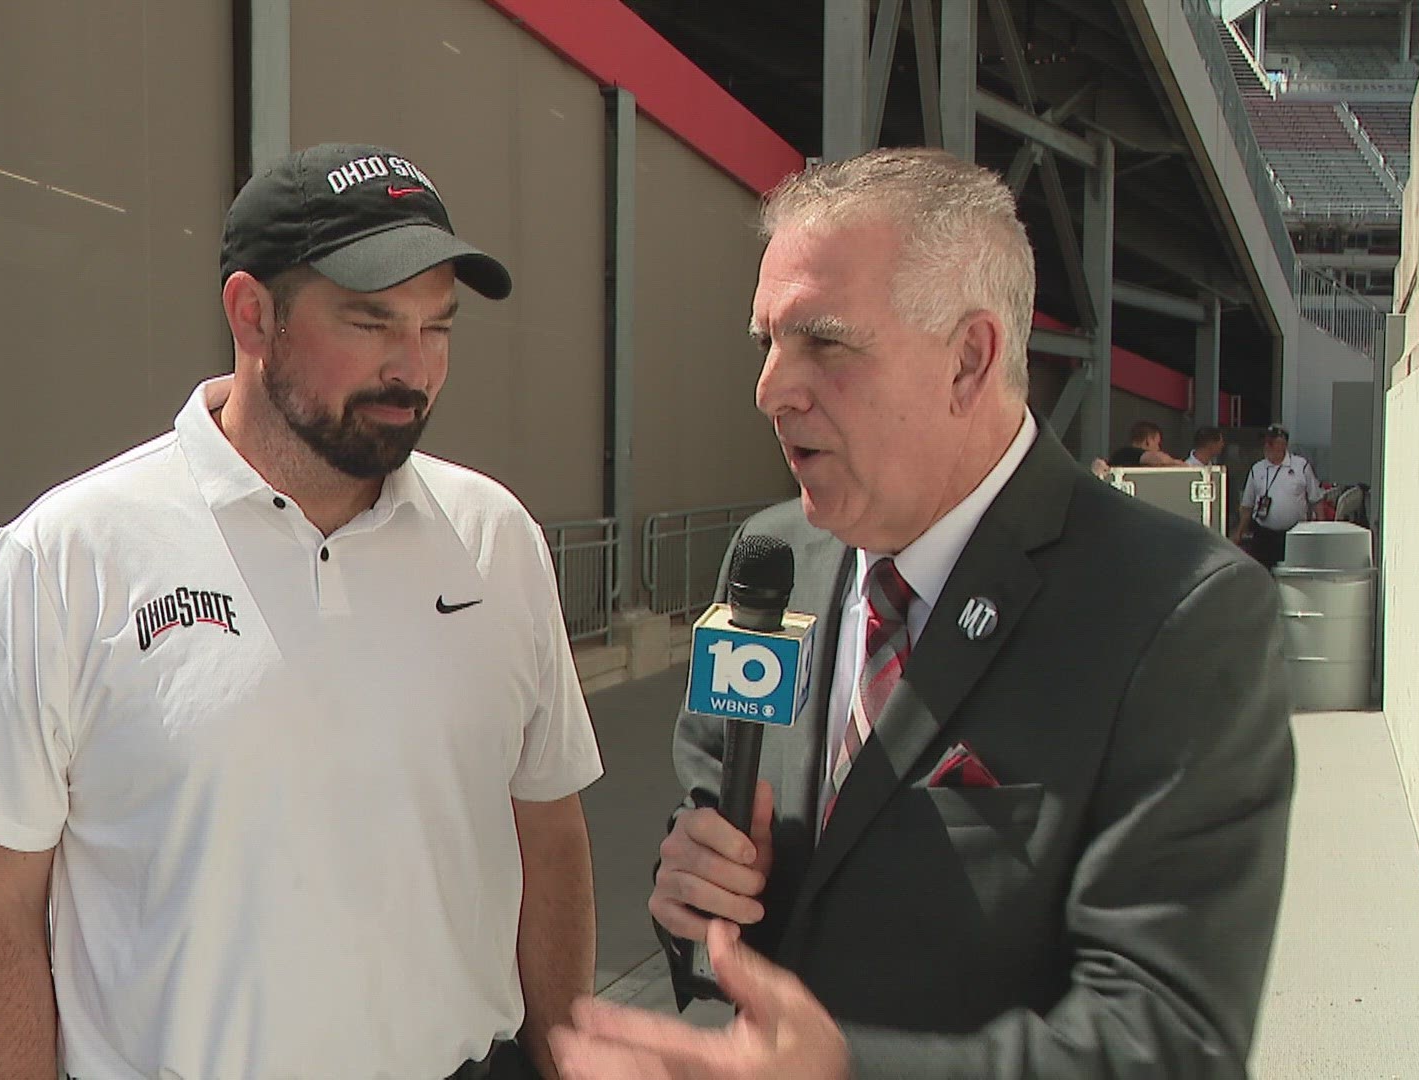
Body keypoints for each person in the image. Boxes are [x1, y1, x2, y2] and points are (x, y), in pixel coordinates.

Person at [551, 148, 1293, 1079]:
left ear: (968, 360)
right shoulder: (770, 560)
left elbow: (1166, 1043)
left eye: (823, 340)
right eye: (766, 342)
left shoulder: (1179, 615)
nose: (772, 388)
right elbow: (723, 821)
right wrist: (697, 889)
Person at [0, 143, 603, 1080]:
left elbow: (547, 834)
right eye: (372, 322)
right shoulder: (66, 557)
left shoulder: (494, 538)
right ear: (252, 313)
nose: (413, 368)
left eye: (438, 328)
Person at [1237, 424, 1322, 568]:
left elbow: (1316, 500)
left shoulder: (1301, 466)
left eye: (1271, 443)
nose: (1267, 447)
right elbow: (1247, 506)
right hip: (1264, 535)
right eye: (1266, 443)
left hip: (1294, 535)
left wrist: (1321, 531)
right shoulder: (1257, 469)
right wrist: (1239, 533)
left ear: (1283, 444)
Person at [1106, 419, 1187, 467]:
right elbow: (1159, 459)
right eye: (1157, 443)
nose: (1158, 448)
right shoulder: (1127, 453)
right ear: (1148, 441)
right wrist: (1177, 463)